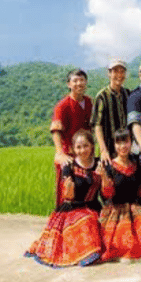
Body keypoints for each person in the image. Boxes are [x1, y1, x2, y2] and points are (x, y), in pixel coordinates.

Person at [26, 129, 103, 267]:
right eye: (78, 147)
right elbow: (69, 195)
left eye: (85, 146)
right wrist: (68, 186)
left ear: (92, 146)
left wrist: (103, 177)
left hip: (94, 206)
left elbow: (106, 193)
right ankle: (86, 254)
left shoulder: (99, 163)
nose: (82, 150)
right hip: (73, 209)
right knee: (87, 222)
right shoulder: (69, 165)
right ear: (73, 149)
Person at [97, 128, 141, 262]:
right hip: (115, 209)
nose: (122, 146)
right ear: (114, 145)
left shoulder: (137, 163)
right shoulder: (109, 166)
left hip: (134, 207)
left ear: (131, 143)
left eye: (125, 142)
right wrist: (104, 177)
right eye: (118, 143)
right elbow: (107, 194)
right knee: (122, 231)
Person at [50, 69, 92, 206]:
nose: (79, 83)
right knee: (67, 192)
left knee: (87, 191)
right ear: (69, 84)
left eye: (82, 80)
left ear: (86, 83)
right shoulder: (62, 106)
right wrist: (60, 153)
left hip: (86, 154)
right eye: (75, 81)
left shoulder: (89, 103)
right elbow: (56, 130)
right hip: (69, 154)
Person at [92, 59, 130, 164]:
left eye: (122, 71)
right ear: (109, 74)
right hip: (109, 150)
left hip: (127, 150)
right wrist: (103, 150)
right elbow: (97, 125)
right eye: (115, 71)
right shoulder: (102, 96)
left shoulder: (128, 94)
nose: (119, 74)